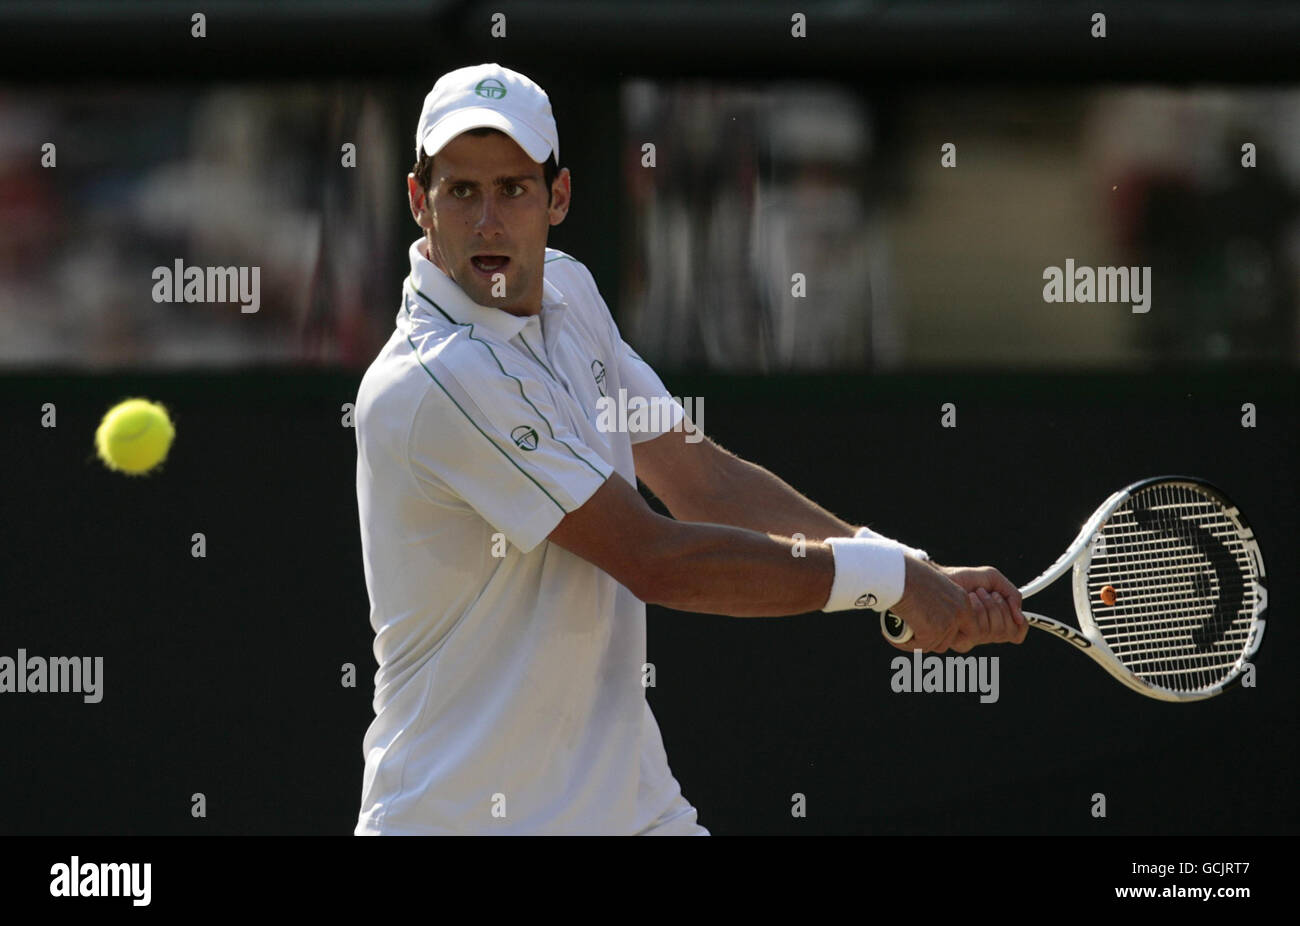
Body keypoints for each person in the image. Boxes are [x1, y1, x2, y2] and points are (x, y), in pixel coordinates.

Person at [352, 62, 1027, 836]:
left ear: (559, 197)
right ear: (418, 203)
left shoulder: (569, 296)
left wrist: (910, 567)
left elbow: (703, 480)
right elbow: (653, 557)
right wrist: (889, 580)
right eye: (461, 191)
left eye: (513, 187)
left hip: (629, 810)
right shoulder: (438, 379)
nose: (488, 222)